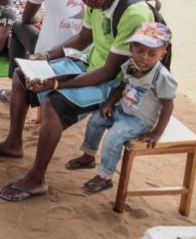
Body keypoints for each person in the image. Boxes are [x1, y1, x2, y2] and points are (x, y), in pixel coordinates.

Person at [0, 0, 155, 202]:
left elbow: (108, 73)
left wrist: (58, 83)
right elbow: (83, 38)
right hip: (90, 65)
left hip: (118, 84)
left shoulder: (133, 14)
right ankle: (14, 143)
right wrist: (45, 57)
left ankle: (37, 179)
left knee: (55, 103)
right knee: (22, 74)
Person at [65, 22, 176, 194]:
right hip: (122, 109)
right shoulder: (131, 65)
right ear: (131, 49)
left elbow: (168, 105)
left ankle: (105, 177)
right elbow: (122, 85)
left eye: (152, 54)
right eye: (140, 51)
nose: (144, 57)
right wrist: (109, 103)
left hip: (140, 120)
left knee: (114, 137)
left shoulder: (162, 77)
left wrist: (157, 133)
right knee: (96, 119)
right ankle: (88, 156)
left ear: (162, 54)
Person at [0, 0, 83, 102]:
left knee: (17, 27)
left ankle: (16, 87)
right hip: (82, 55)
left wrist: (40, 19)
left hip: (49, 55)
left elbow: (26, 18)